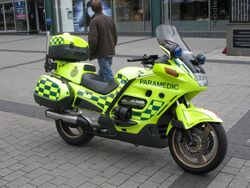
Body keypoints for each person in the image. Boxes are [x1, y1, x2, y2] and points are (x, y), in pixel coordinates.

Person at [88, 0, 117, 82]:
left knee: (108, 75)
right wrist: (112, 46)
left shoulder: (93, 21)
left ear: (92, 9)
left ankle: (114, 92)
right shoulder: (110, 19)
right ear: (101, 7)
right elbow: (115, 36)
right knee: (103, 71)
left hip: (102, 52)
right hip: (110, 50)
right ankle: (97, 85)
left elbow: (93, 40)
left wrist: (90, 52)